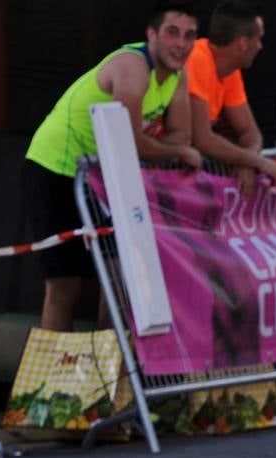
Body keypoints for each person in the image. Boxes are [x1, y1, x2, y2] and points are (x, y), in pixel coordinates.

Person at [24, 2, 202, 333]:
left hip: (102, 176)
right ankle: (49, 379)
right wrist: (176, 151)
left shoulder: (178, 73)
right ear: (152, 35)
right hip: (55, 168)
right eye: (172, 33)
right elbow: (132, 141)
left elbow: (183, 134)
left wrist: (174, 148)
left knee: (122, 279)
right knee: (65, 286)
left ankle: (111, 371)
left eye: (190, 35)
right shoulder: (133, 68)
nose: (181, 44)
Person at [185, 0, 276, 197]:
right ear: (242, 43)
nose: (260, 47)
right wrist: (256, 161)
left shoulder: (230, 71)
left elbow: (250, 132)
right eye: (258, 39)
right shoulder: (197, 59)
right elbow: (203, 139)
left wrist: (246, 161)